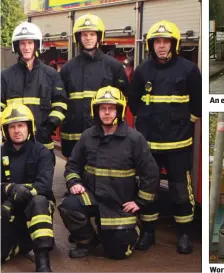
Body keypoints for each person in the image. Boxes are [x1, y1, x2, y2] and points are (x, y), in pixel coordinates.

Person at [57, 86, 159, 260]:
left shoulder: (134, 139)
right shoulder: (87, 136)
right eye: (102, 108)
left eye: (111, 108)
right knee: (68, 206)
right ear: (95, 111)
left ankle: (133, 227)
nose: (106, 112)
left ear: (119, 111)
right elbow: (72, 164)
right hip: (93, 195)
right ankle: (87, 240)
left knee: (117, 253)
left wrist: (140, 201)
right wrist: (75, 183)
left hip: (119, 202)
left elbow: (151, 173)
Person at [128, 20, 202, 254]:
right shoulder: (142, 71)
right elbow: (134, 103)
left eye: (166, 41)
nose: (161, 46)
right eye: (157, 41)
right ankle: (148, 233)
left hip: (179, 146)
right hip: (149, 146)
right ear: (151, 44)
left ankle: (183, 236)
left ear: (174, 43)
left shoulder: (189, 70)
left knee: (181, 192)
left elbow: (198, 104)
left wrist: (184, 123)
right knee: (149, 190)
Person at [59, 13, 129, 159]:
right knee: (74, 174)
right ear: (79, 37)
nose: (88, 38)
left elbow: (123, 100)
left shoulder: (113, 66)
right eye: (84, 34)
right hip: (73, 135)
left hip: (105, 134)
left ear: (99, 37)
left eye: (92, 34)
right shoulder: (68, 68)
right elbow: (60, 100)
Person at [1, 22, 68, 164]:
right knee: (14, 185)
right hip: (14, 147)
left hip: (42, 144)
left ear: (36, 45)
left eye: (30, 43)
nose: (26, 47)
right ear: (17, 46)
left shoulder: (51, 74)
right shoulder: (5, 76)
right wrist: (6, 130)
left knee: (43, 185)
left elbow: (61, 104)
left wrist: (49, 127)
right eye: (22, 43)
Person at [1, 103, 55, 272]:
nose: (17, 130)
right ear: (6, 130)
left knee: (39, 201)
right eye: (12, 126)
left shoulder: (42, 153)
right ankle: (21, 244)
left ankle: (42, 261)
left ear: (29, 127)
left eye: (21, 125)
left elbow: (44, 186)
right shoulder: (1, 153)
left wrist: (20, 192)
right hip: (8, 210)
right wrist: (9, 190)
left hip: (37, 209)